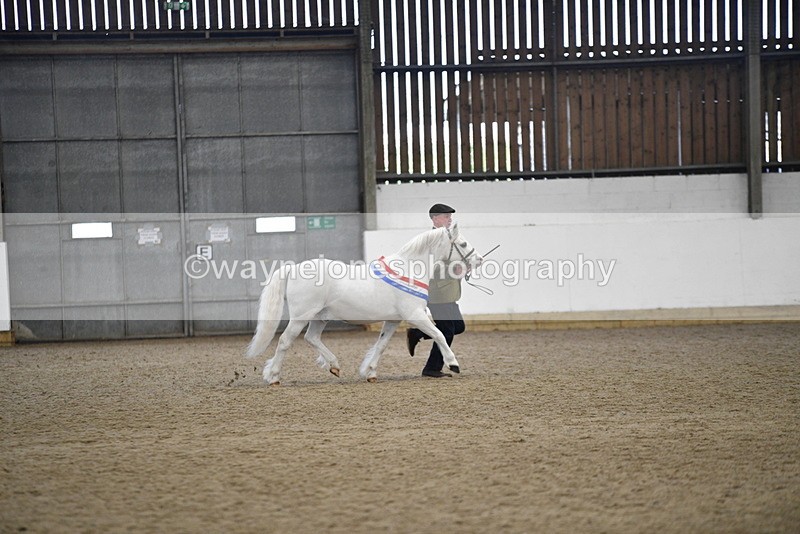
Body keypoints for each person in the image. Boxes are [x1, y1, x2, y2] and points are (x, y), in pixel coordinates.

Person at [407, 203, 467, 378]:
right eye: (446, 216)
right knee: (447, 331)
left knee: (458, 327)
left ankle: (417, 332)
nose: (450, 219)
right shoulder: (432, 240)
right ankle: (432, 368)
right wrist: (454, 269)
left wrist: (464, 265)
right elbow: (430, 266)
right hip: (437, 292)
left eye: (450, 217)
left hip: (448, 291)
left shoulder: (449, 238)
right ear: (434, 219)